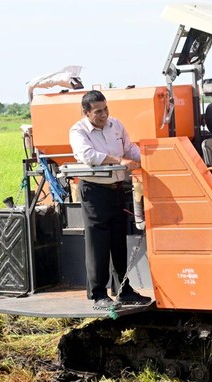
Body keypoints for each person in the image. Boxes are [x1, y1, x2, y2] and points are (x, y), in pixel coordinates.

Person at [69, 90, 152, 310]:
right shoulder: (78, 131)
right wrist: (118, 160)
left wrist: (150, 158)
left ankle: (124, 290)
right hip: (95, 192)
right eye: (98, 111)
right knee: (98, 243)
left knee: (118, 241)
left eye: (105, 109)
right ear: (85, 112)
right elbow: (87, 155)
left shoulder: (115, 125)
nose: (104, 114)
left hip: (117, 189)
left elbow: (129, 148)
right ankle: (98, 294)